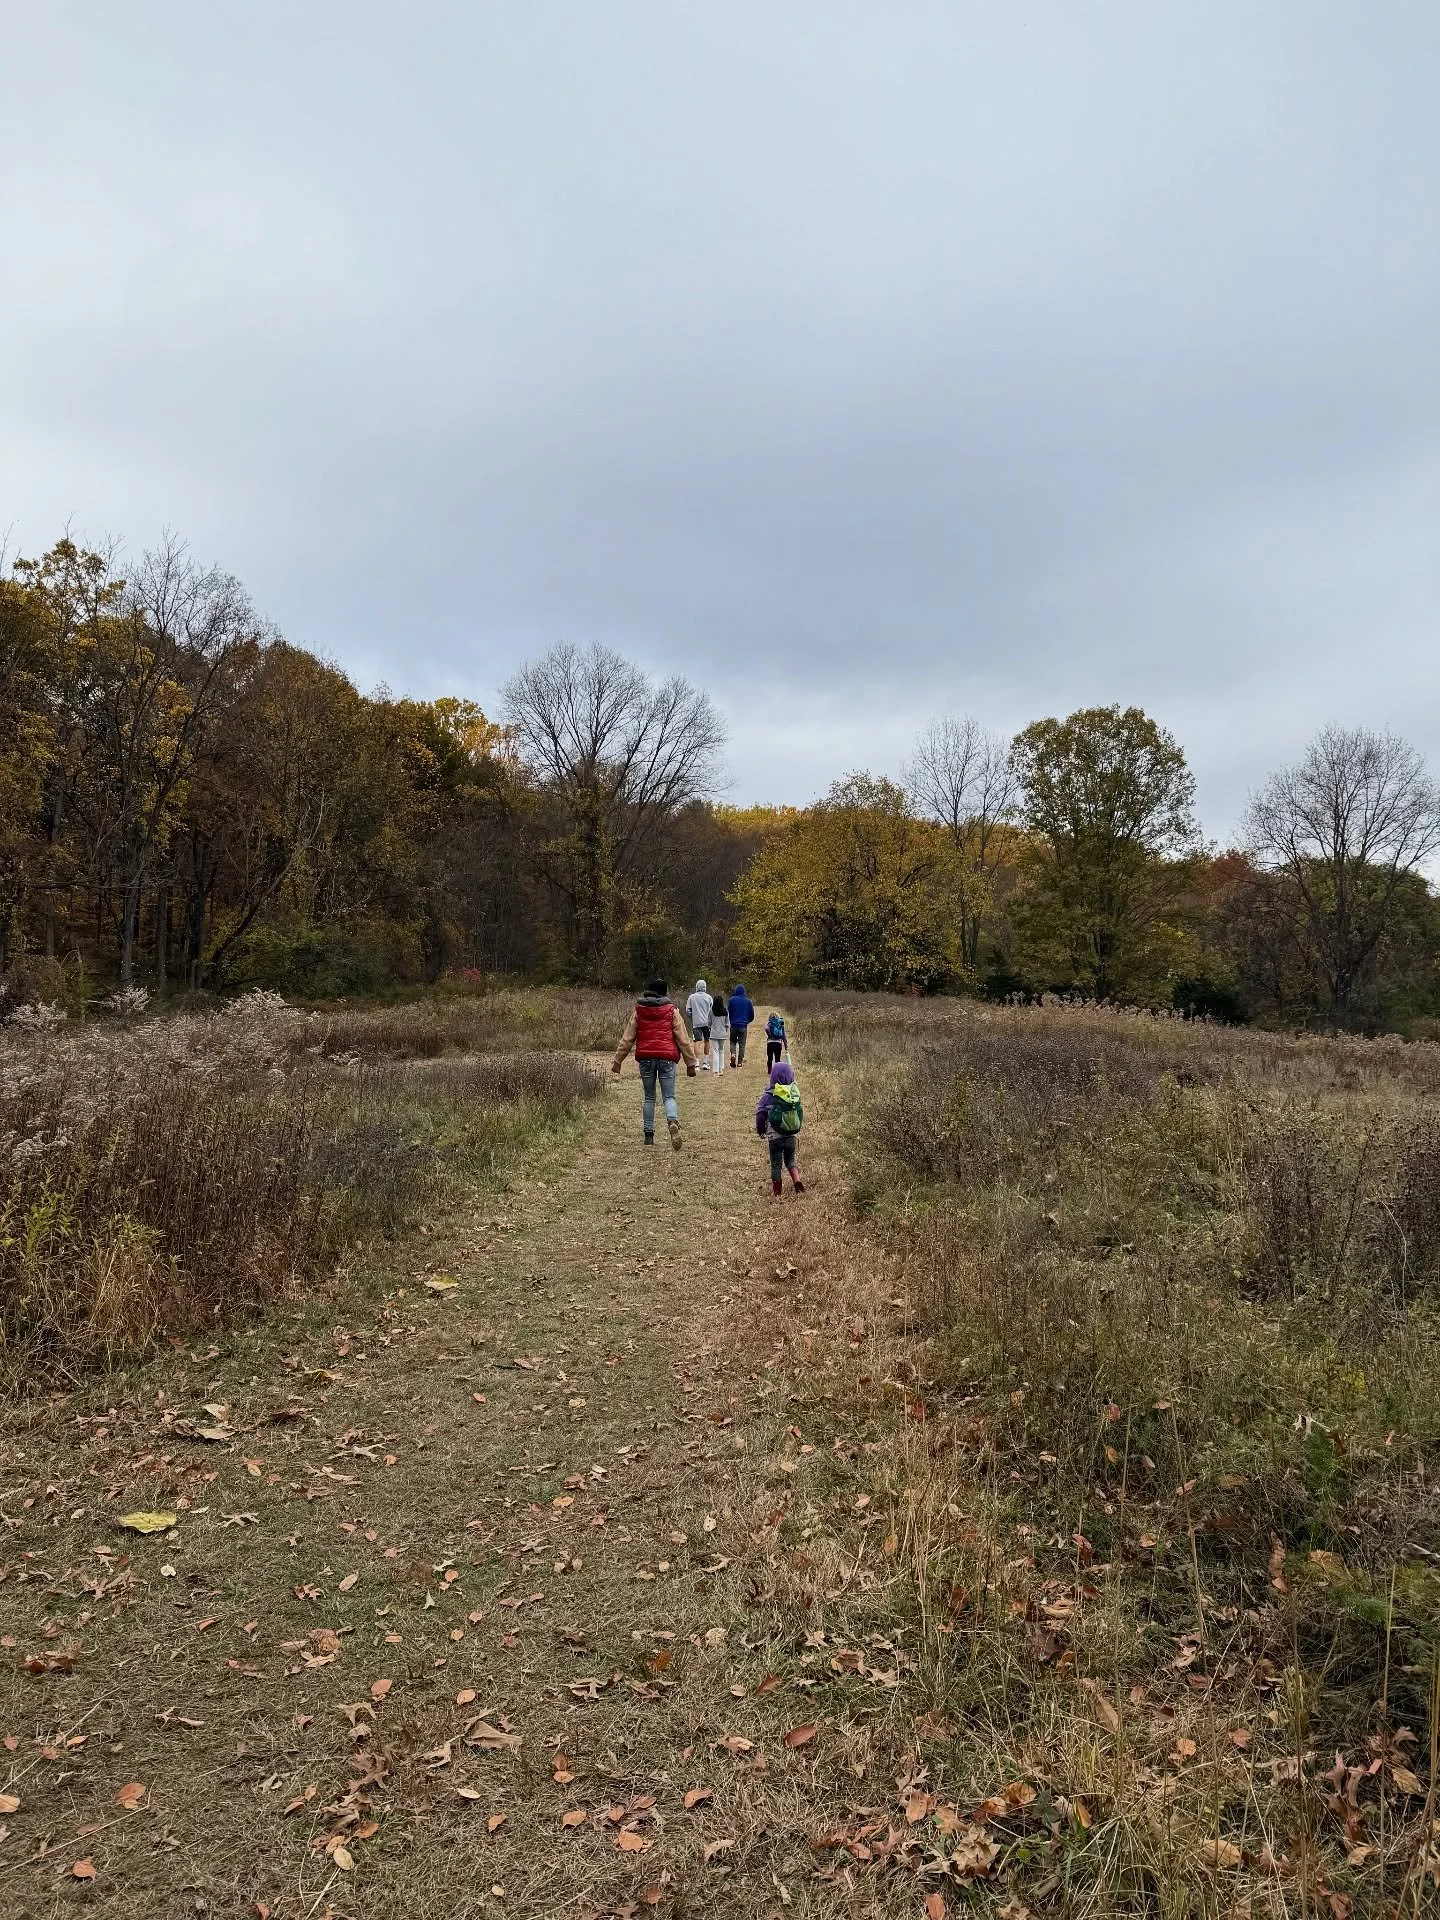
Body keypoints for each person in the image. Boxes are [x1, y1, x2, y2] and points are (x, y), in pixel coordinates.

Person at [611, 979, 698, 1148]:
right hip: (667, 1058)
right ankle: (672, 1121)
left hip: (646, 1059)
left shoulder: (639, 1011)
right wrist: (690, 1063)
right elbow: (683, 1039)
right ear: (665, 993)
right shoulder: (672, 1011)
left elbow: (627, 1039)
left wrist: (617, 1061)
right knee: (669, 1096)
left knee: (649, 1097)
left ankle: (649, 1136)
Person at [755, 1059, 805, 1197]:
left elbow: (760, 1114)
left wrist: (761, 1129)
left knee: (776, 1164)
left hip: (774, 1138)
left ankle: (777, 1193)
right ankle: (797, 1180)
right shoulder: (794, 1094)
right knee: (790, 1160)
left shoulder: (769, 1095)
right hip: (791, 1135)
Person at [685, 979, 713, 1067]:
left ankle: (696, 1063)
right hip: (707, 1023)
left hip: (696, 1023)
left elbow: (688, 1011)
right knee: (707, 1041)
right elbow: (712, 1011)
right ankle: (705, 1062)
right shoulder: (709, 997)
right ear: (705, 987)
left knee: (697, 1041)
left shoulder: (692, 997)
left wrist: (693, 1018)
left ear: (696, 987)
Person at [727, 982, 755, 1067]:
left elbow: (729, 1011)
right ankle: (739, 1062)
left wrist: (731, 1020)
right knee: (742, 1044)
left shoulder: (731, 1000)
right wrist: (747, 1021)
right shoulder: (748, 1001)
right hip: (743, 1026)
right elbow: (752, 1015)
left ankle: (733, 1054)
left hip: (734, 1025)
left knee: (732, 1042)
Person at [707, 989, 728, 1074]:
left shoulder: (711, 1011)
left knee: (715, 1051)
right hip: (722, 1033)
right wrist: (725, 1030)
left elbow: (709, 1023)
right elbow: (727, 1023)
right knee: (721, 1051)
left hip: (714, 1033)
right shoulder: (725, 1011)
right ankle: (721, 1068)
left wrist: (710, 1029)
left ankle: (716, 1070)